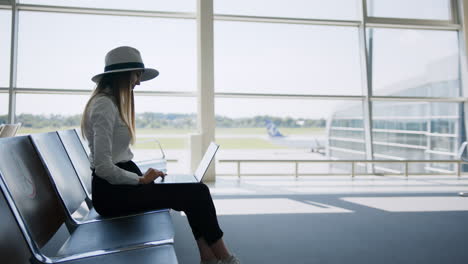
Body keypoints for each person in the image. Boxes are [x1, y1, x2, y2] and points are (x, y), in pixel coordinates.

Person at [81, 46, 240, 264]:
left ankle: (209, 258)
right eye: (137, 75)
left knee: (193, 194)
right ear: (124, 75)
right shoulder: (104, 106)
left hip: (121, 187)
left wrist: (141, 177)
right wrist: (139, 179)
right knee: (198, 192)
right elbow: (103, 167)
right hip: (113, 195)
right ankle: (226, 259)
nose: (138, 82)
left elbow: (116, 158)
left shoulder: (110, 103)